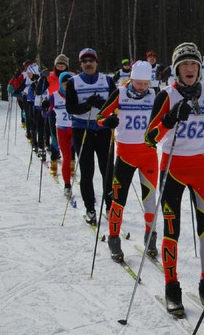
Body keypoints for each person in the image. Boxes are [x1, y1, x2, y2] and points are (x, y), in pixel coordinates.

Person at [145, 43, 204, 317]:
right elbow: (150, 138)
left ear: (200, 69)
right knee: (171, 230)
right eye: (184, 65)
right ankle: (171, 286)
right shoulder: (167, 95)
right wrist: (169, 119)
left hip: (200, 166)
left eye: (194, 64)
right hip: (172, 167)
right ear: (176, 69)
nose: (190, 69)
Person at [97, 61, 159, 262]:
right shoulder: (121, 93)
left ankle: (151, 239)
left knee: (150, 201)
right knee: (118, 200)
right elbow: (100, 116)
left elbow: (162, 119)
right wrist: (107, 122)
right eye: (139, 83)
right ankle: (114, 239)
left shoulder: (154, 94)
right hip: (125, 155)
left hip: (149, 155)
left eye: (145, 83)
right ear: (131, 79)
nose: (142, 87)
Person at [65, 48, 115, 224]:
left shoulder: (108, 81)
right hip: (82, 130)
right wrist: (88, 105)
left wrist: (104, 105)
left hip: (103, 131)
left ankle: (110, 208)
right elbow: (70, 108)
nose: (88, 63)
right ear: (80, 64)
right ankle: (90, 209)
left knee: (108, 171)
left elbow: (116, 106)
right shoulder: (73, 82)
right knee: (87, 172)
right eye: (84, 61)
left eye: (91, 60)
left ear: (96, 62)